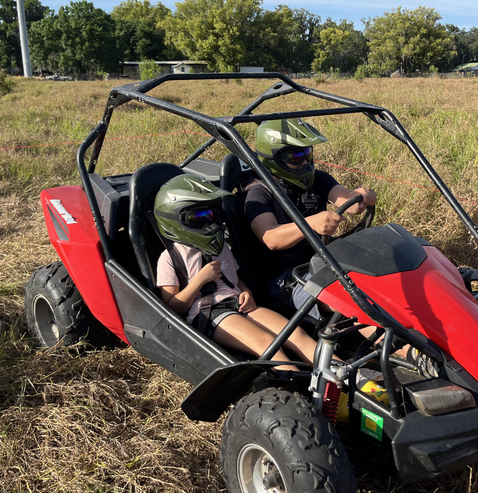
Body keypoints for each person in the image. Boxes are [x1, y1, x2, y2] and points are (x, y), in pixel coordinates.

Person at [154, 174, 323, 371]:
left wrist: (246, 292)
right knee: (267, 343)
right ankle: (304, 393)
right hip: (210, 312)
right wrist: (199, 280)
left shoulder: (221, 246)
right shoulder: (170, 258)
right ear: (175, 220)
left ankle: (353, 381)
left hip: (239, 303)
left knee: (294, 334)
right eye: (199, 217)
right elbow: (172, 308)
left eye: (212, 215)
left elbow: (236, 279)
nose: (210, 222)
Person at [244, 118, 377, 315]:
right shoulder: (258, 193)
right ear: (274, 160)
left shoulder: (318, 180)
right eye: (296, 156)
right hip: (287, 280)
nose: (306, 162)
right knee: (351, 300)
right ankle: (397, 344)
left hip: (324, 263)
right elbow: (270, 238)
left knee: (380, 275)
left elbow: (350, 203)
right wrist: (310, 224)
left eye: (307, 153)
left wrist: (362, 196)